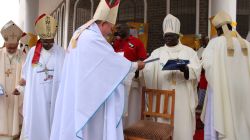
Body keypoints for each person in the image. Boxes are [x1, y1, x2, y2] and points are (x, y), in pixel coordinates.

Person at [50, 0, 145, 139]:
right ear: (103, 23)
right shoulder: (93, 38)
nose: (110, 33)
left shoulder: (80, 33)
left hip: (77, 89)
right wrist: (135, 65)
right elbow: (111, 61)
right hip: (89, 95)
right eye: (110, 28)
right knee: (91, 130)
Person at [142, 14, 201, 140]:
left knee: (182, 127)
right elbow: (146, 69)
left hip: (182, 96)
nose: (167, 39)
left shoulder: (189, 52)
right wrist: (138, 71)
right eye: (166, 36)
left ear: (178, 36)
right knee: (163, 126)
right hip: (163, 96)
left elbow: (197, 70)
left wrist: (186, 70)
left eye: (171, 36)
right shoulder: (157, 53)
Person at [201, 11, 250, 140]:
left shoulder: (215, 43)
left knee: (222, 118)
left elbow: (207, 65)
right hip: (243, 93)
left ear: (218, 29)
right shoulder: (246, 44)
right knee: (241, 122)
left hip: (221, 92)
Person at [20, 14, 65, 140]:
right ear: (40, 38)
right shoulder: (32, 53)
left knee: (54, 124)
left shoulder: (61, 52)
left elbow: (67, 75)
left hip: (55, 95)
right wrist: (20, 85)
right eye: (45, 41)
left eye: (50, 41)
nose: (48, 44)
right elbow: (25, 75)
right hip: (37, 98)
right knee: (37, 125)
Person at [112, 23, 147, 128]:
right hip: (117, 81)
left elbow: (142, 60)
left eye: (120, 29)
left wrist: (136, 68)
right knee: (119, 107)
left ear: (127, 30)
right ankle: (119, 131)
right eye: (116, 30)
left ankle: (132, 128)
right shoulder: (115, 43)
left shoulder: (136, 42)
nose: (117, 32)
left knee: (131, 107)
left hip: (132, 80)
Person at [0, 20, 25, 140]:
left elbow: (26, 75)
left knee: (15, 122)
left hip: (16, 95)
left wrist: (21, 87)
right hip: (1, 97)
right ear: (5, 43)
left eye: (14, 48)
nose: (11, 50)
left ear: (18, 44)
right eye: (9, 47)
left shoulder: (22, 55)